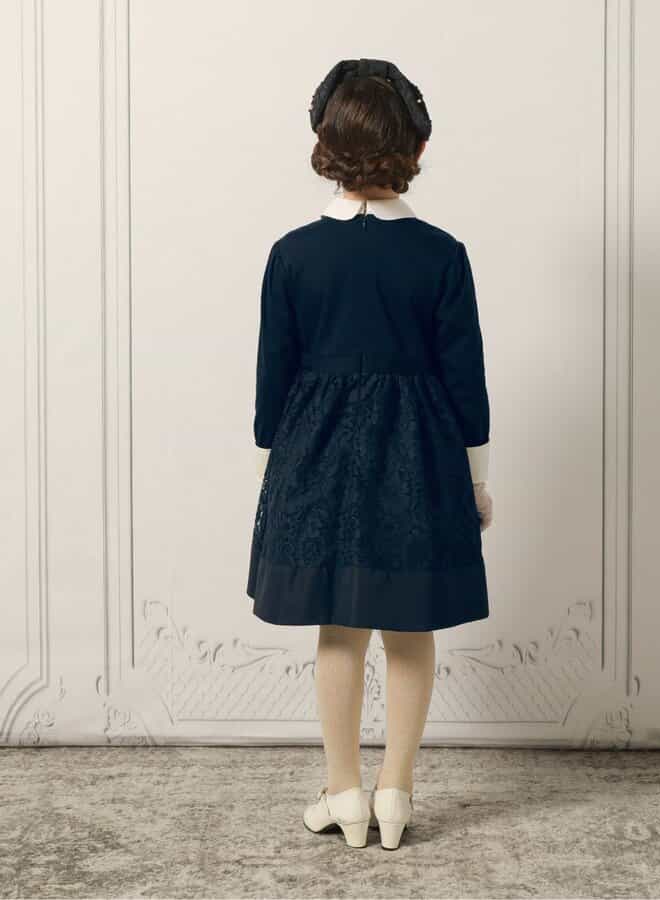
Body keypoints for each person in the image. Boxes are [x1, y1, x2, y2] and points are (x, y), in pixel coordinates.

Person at [246, 59, 494, 850]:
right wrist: (476, 483)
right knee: (410, 629)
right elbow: (466, 381)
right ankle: (397, 793)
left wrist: (274, 476)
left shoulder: (293, 254)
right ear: (415, 148)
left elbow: (273, 382)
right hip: (420, 457)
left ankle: (344, 793)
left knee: (340, 631)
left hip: (316, 458)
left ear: (325, 146)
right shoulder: (441, 254)